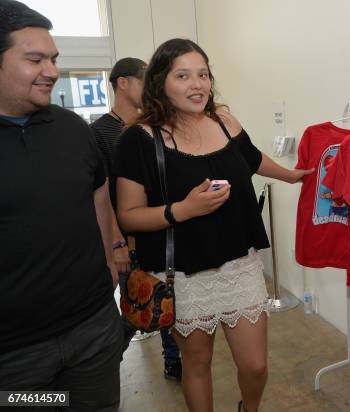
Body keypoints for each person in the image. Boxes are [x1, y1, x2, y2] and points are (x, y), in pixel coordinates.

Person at [113, 38, 313, 412]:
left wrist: (290, 176)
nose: (197, 84)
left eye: (203, 74)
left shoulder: (224, 119)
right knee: (197, 363)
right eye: (183, 75)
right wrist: (184, 209)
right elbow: (128, 214)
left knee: (255, 365)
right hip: (185, 273)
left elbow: (251, 159)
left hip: (239, 264)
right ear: (160, 82)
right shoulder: (138, 139)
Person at [0, 1, 122, 410]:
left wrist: (108, 257)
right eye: (34, 59)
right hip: (15, 356)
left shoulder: (71, 127)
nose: (51, 71)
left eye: (53, 59)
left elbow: (99, 191)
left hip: (93, 330)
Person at [90, 57, 183, 381]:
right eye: (144, 79)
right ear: (122, 82)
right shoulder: (100, 132)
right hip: (127, 240)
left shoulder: (153, 128)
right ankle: (97, 371)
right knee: (135, 310)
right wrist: (117, 243)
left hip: (160, 231)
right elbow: (101, 196)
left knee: (167, 298)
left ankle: (174, 361)